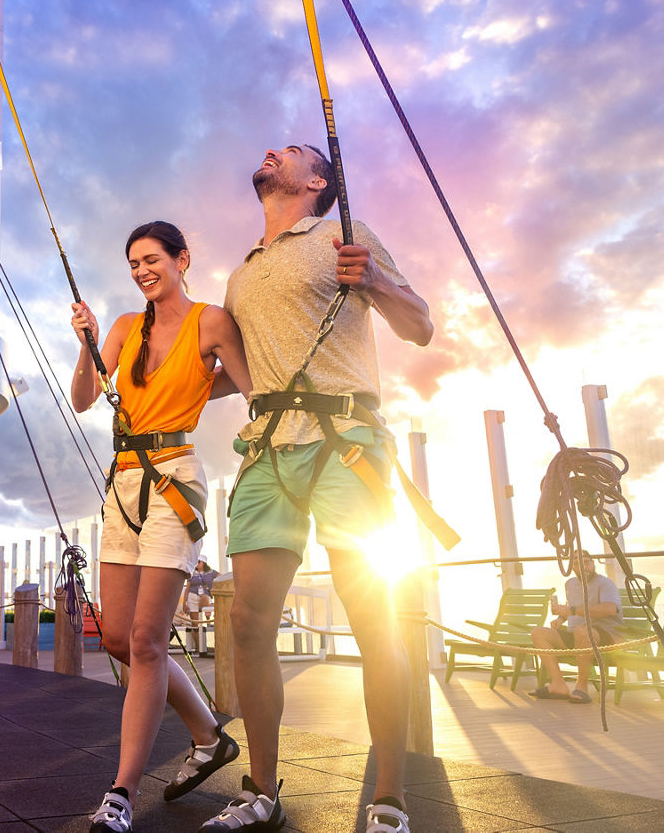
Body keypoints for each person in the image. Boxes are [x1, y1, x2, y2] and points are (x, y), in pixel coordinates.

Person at [199, 145, 434, 833]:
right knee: (246, 620)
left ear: (315, 181)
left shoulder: (343, 234)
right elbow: (230, 372)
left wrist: (378, 284)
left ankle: (389, 798)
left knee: (370, 614)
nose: (272, 151)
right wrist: (152, 390)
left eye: (293, 152)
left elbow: (420, 326)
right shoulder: (243, 273)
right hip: (268, 450)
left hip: (345, 445)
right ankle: (261, 793)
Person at [71, 220, 252, 833]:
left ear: (182, 259)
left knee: (147, 641)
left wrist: (211, 391)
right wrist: (88, 342)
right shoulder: (124, 327)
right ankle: (209, 737)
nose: (142, 270)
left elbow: (251, 385)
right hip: (122, 479)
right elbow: (82, 399)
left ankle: (120, 794)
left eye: (152, 259)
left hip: (176, 475)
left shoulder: (211, 322)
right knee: (119, 639)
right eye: (134, 264)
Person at [529, 549, 624, 703]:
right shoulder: (570, 584)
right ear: (572, 568)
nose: (583, 567)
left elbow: (610, 609)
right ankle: (558, 685)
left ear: (593, 564)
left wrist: (572, 611)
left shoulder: (605, 583)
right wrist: (561, 618)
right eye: (577, 564)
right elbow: (572, 608)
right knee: (538, 632)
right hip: (578, 636)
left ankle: (582, 688)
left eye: (586, 562)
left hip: (606, 636)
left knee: (582, 631)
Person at [182, 559, 219, 654]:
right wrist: (184, 603)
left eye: (199, 562)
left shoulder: (211, 572)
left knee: (205, 598)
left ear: (204, 562)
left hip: (205, 596)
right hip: (192, 596)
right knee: (195, 623)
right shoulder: (192, 572)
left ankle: (208, 617)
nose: (197, 563)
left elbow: (222, 577)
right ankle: (199, 647)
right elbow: (187, 588)